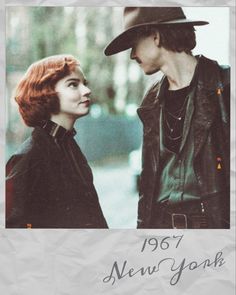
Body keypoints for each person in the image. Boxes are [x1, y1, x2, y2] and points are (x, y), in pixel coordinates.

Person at [104, 7, 230, 229]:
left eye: (134, 43)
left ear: (156, 36)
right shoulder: (150, 101)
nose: (132, 55)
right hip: (162, 232)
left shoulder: (224, 85)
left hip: (212, 229)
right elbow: (148, 186)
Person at [6, 54, 108, 228]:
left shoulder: (69, 146)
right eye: (73, 85)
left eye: (84, 83)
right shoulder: (28, 159)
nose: (86, 91)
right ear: (46, 93)